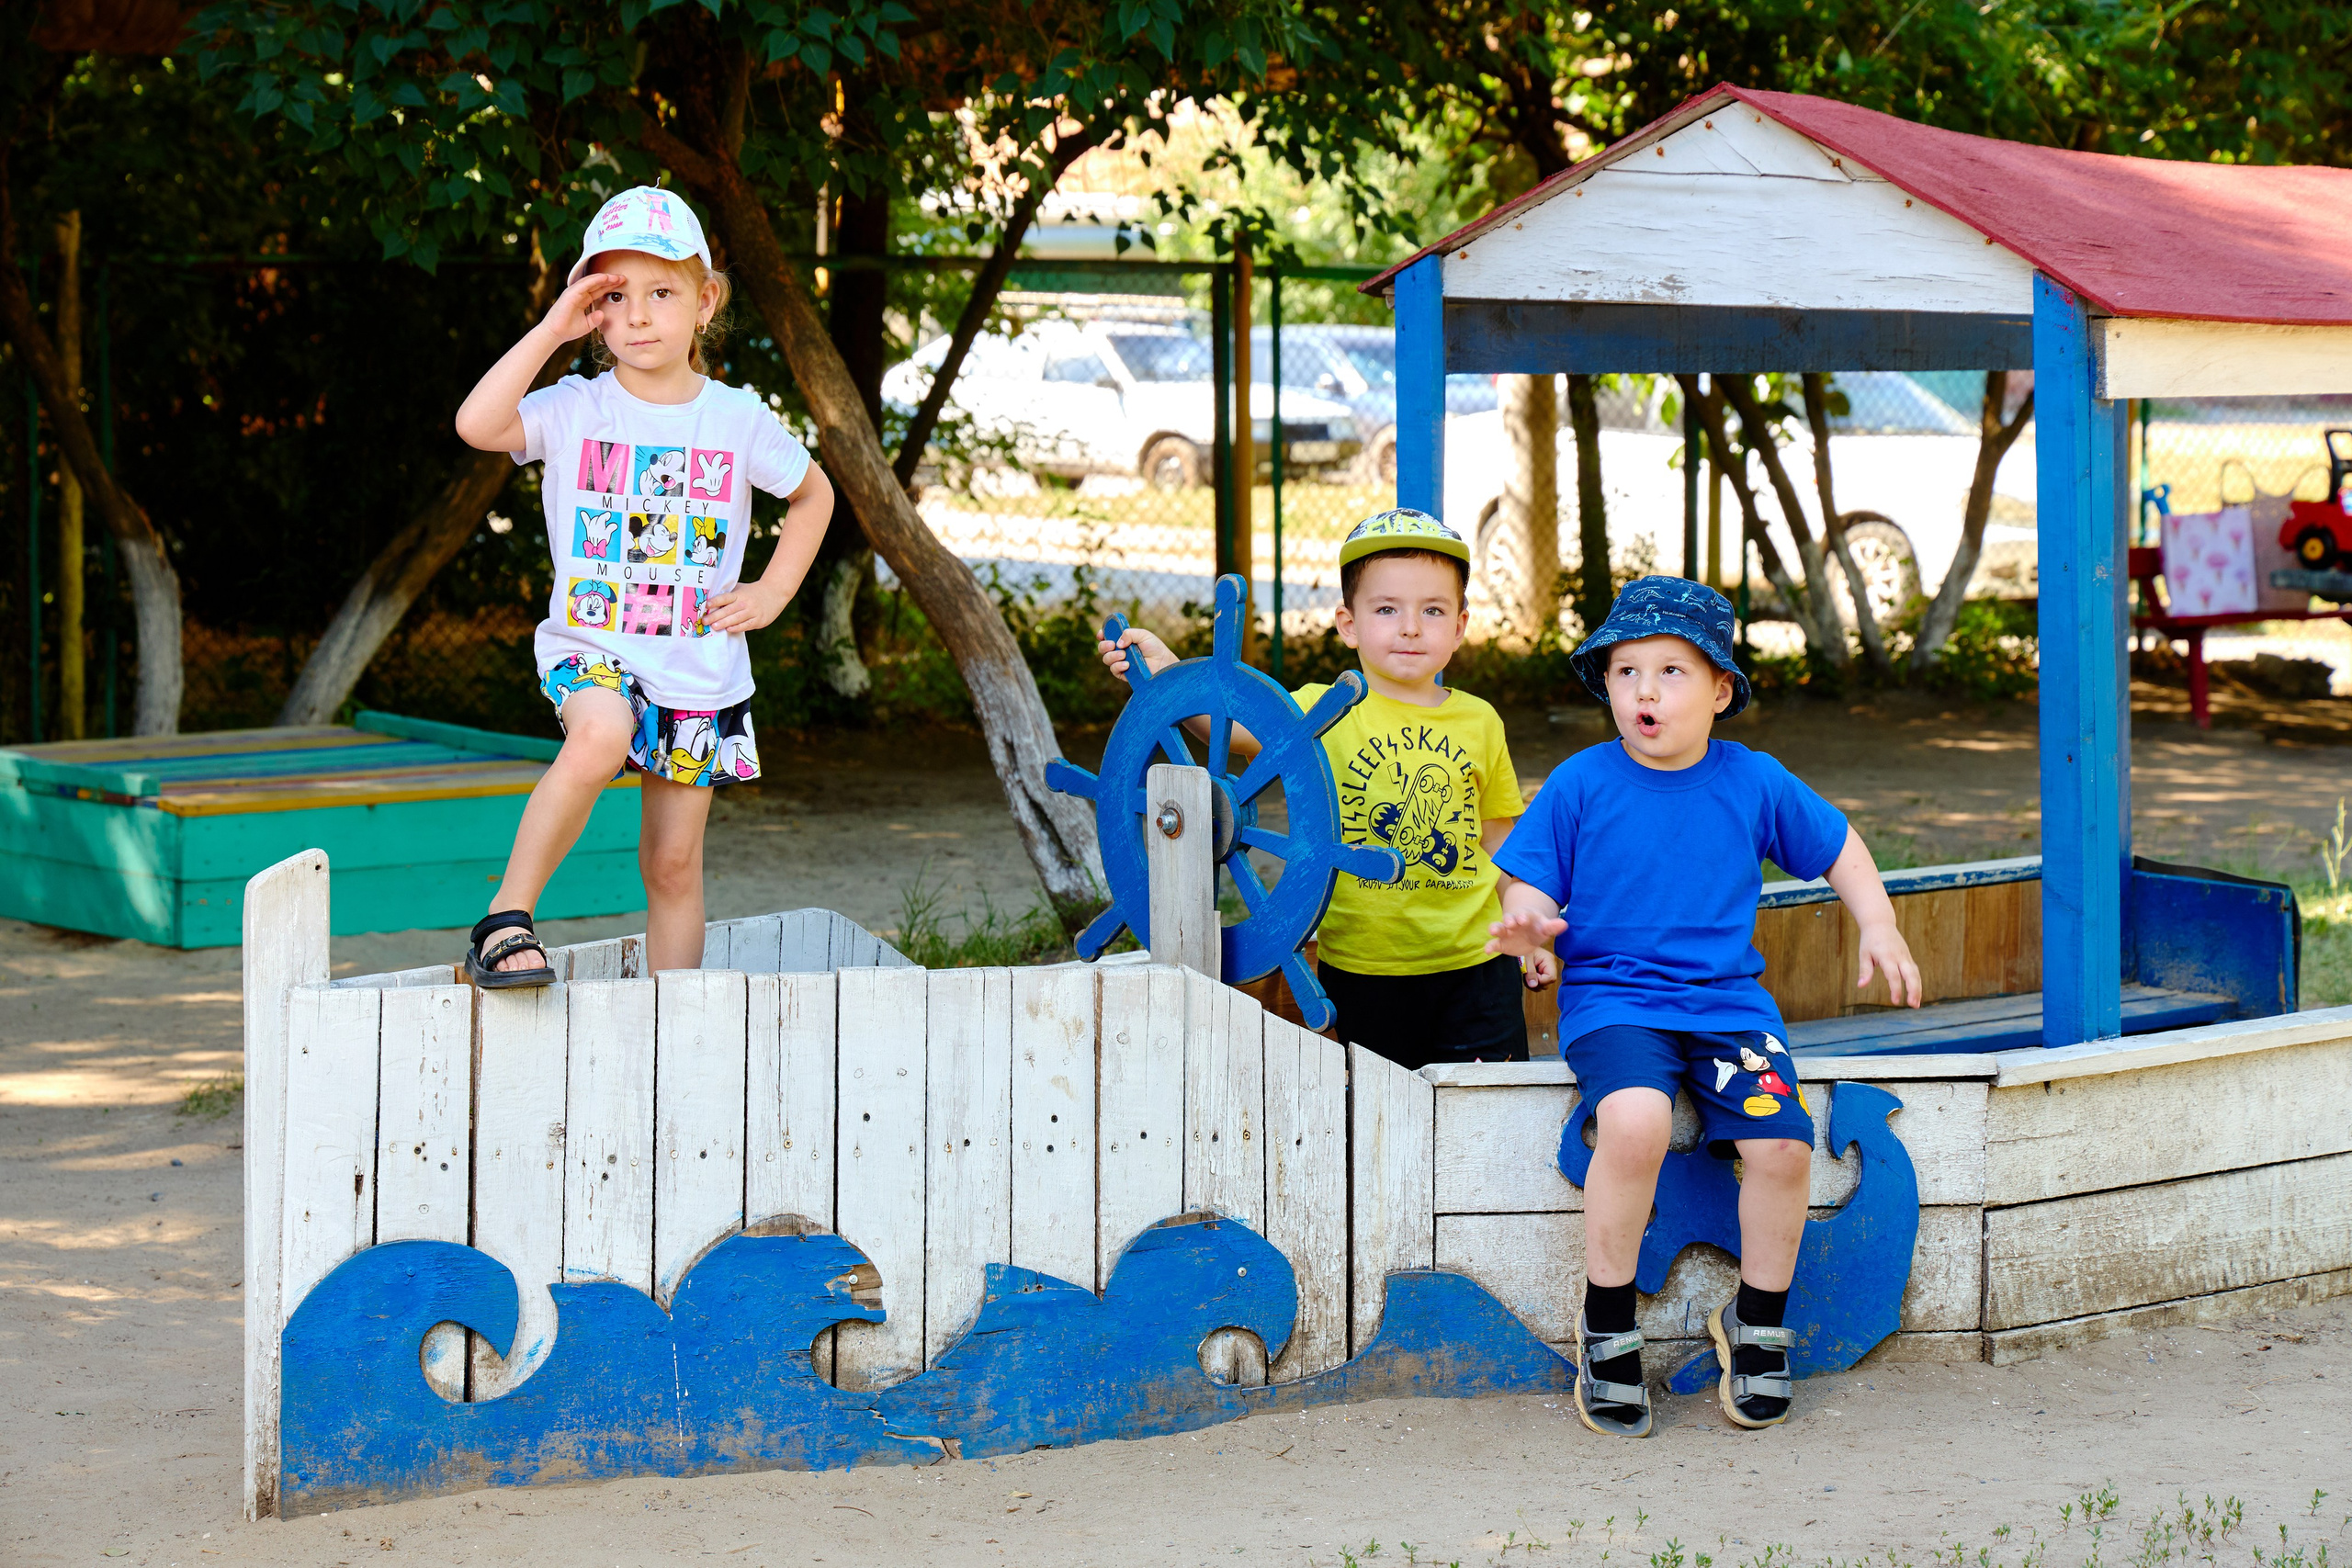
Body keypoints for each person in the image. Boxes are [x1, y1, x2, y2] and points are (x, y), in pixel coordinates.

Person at [1485, 577, 1922, 1438]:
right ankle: (1608, 1322)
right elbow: (1526, 881)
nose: (1644, 690)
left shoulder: (1752, 780)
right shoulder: (1581, 782)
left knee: (1783, 1145)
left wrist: (1878, 922)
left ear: (1721, 690)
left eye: (1671, 672)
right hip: (1616, 1002)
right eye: (1626, 671)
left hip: (1728, 1010)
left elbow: (1839, 845)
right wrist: (1531, 928)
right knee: (1636, 1122)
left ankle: (1756, 1322)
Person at [451, 185, 834, 987]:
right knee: (601, 732)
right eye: (615, 296)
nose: (638, 316)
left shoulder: (736, 419)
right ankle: (503, 919)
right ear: (592, 310)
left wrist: (772, 592)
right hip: (593, 648)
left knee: (672, 865)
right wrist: (552, 329)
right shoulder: (575, 407)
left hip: (697, 669)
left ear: (706, 301)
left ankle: (676, 1022)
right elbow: (477, 424)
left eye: (662, 293)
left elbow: (814, 495)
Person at [1100, 509, 1530, 1068]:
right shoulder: (1318, 710)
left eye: (1433, 610)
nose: (1410, 627)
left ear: (1460, 625)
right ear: (1348, 624)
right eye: (1387, 609)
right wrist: (1168, 672)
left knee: (1485, 1101)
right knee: (1382, 1102)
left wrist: (1527, 929)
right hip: (1364, 968)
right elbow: (1231, 727)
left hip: (1478, 964)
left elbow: (1499, 839)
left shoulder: (1481, 721)